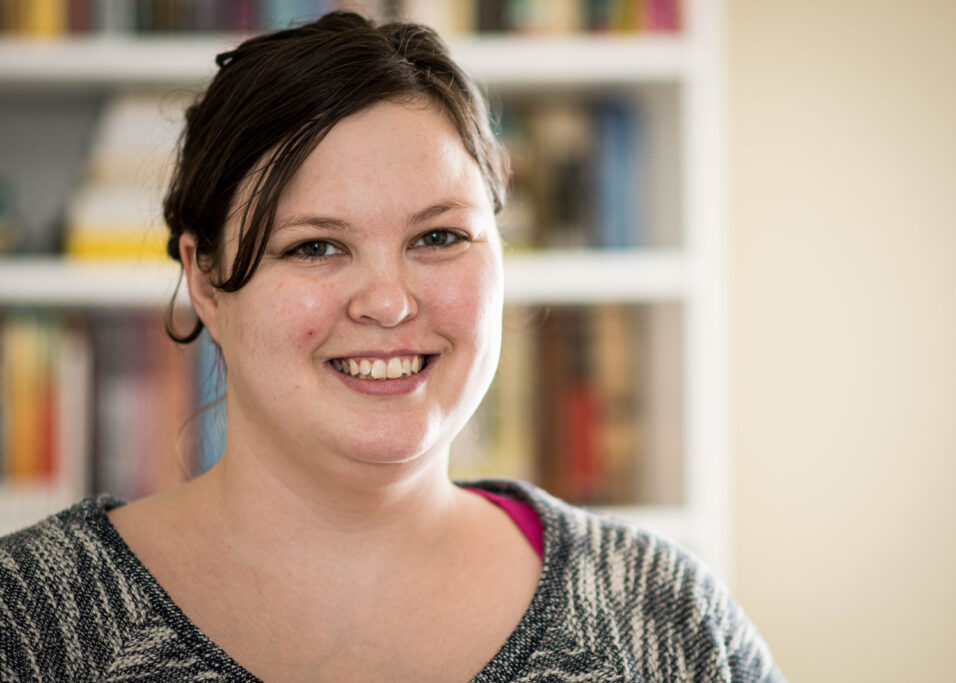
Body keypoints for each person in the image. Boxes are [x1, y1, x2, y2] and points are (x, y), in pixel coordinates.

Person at [0, 12, 784, 682]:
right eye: (314, 247)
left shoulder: (667, 618)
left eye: (439, 236)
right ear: (204, 278)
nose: (388, 301)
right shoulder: (29, 623)